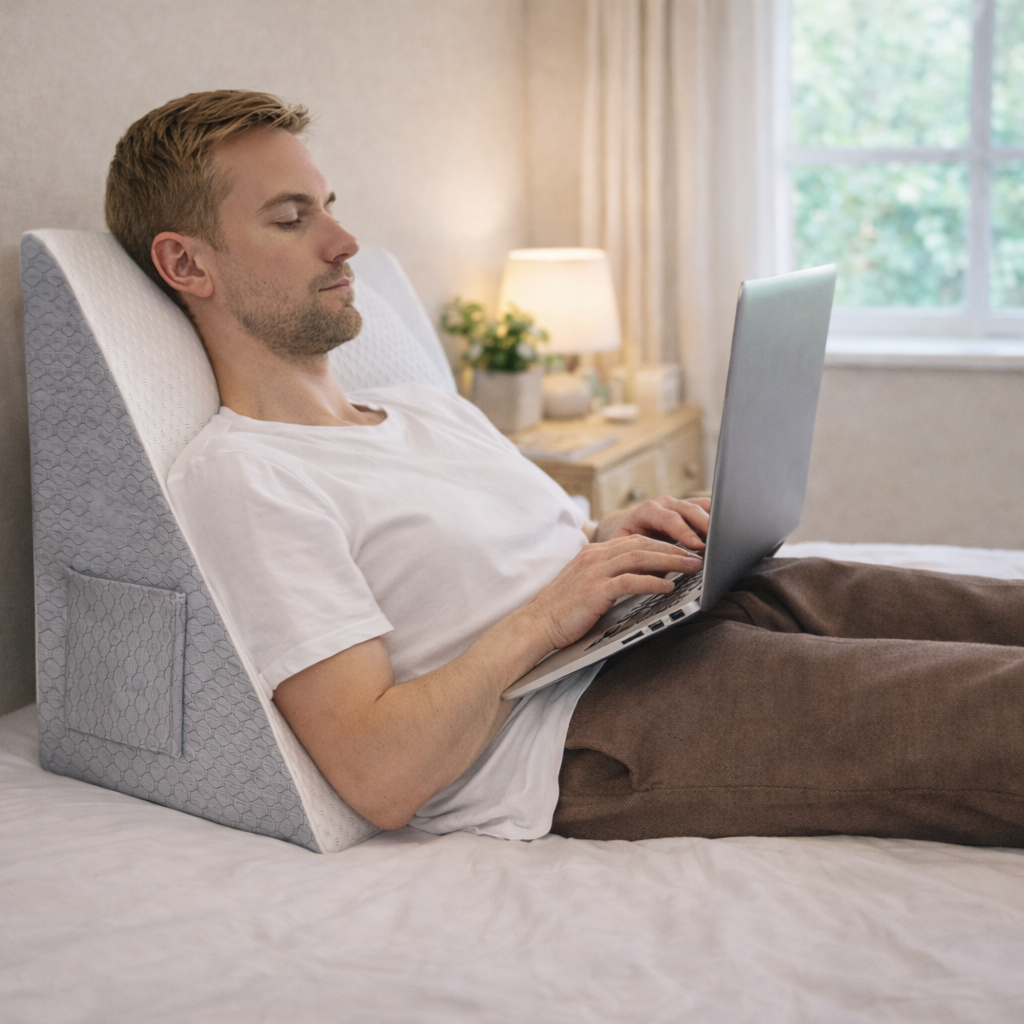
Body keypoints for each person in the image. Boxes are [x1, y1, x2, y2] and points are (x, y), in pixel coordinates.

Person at [105, 90, 1024, 847]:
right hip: (585, 719)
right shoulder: (245, 476)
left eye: (331, 206)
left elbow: (518, 553)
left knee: (995, 614)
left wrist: (608, 544)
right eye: (291, 218)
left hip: (646, 623)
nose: (343, 243)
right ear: (188, 264)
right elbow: (379, 775)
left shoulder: (425, 405)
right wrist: (551, 615)